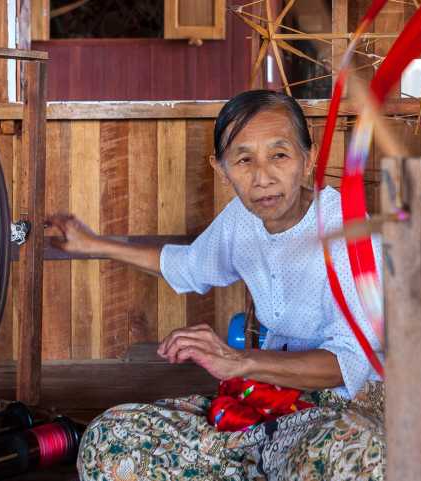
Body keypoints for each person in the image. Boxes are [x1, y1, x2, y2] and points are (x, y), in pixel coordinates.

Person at [48, 90, 385, 480]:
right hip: (264, 402)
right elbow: (189, 266)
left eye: (279, 155)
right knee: (109, 438)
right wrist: (93, 244)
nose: (262, 177)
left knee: (353, 458)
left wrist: (241, 361)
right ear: (221, 170)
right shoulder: (240, 220)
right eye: (244, 160)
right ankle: (256, 463)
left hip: (339, 412)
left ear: (307, 160)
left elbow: (351, 364)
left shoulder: (351, 231)